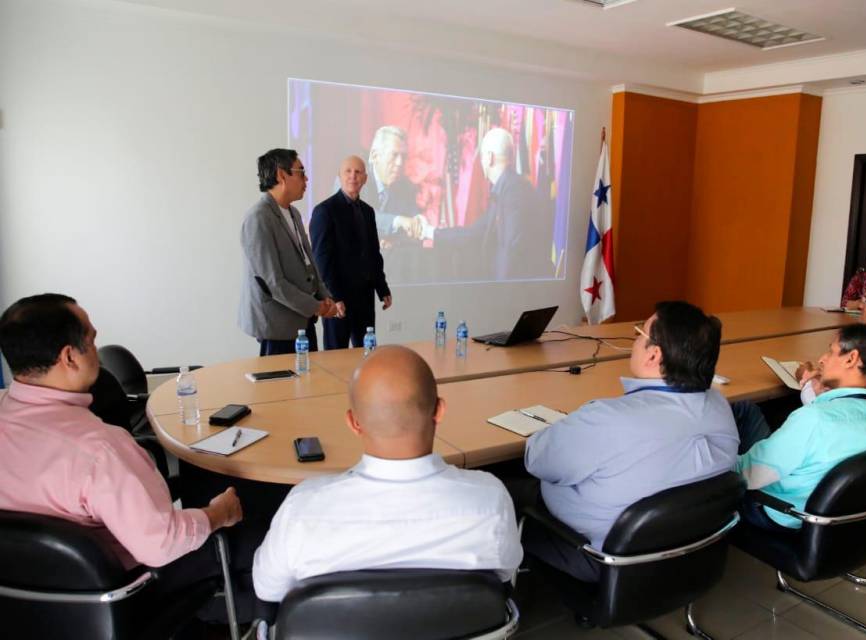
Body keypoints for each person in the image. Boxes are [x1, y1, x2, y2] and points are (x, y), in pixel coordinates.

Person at [252, 345, 522, 605]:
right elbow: (504, 574)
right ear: (439, 410)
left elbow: (267, 589)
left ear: (353, 422)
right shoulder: (490, 502)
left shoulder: (302, 510)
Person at [0, 294, 243, 579]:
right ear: (69, 357)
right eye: (91, 341)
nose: (96, 351)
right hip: (122, 594)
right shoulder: (100, 450)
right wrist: (218, 514)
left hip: (24, 599)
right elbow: (161, 544)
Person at [520, 301, 739, 582]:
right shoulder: (719, 406)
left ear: (654, 356)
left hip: (600, 557)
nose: (634, 341)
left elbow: (536, 460)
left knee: (504, 492)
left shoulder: (608, 419)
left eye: (639, 334)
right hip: (684, 547)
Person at [735, 324, 866, 531]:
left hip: (782, 512)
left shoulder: (814, 420)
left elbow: (748, 475)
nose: (822, 359)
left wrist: (716, 464)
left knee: (738, 415)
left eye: (831, 351)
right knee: (747, 409)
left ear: (851, 358)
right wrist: (822, 399)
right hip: (836, 512)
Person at [239, 149, 338, 356]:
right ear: (281, 175)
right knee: (280, 389)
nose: (306, 178)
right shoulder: (259, 218)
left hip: (304, 321)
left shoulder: (293, 213)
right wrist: (315, 306)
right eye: (301, 171)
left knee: (310, 385)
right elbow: (273, 283)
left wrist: (325, 297)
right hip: (278, 328)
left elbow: (308, 264)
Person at [421, 128, 553, 281]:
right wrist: (430, 232)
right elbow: (475, 232)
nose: (481, 162)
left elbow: (511, 251)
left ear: (489, 157)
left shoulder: (513, 190)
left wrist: (497, 292)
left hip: (519, 293)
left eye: (482, 156)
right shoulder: (507, 188)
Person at [310, 156, 392, 350]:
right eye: (348, 171)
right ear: (339, 176)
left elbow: (373, 254)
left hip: (364, 299)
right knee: (335, 358)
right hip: (338, 300)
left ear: (365, 178)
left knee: (367, 355)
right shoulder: (325, 211)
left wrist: (382, 288)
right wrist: (334, 297)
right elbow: (322, 260)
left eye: (358, 172)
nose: (353, 176)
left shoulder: (368, 211)